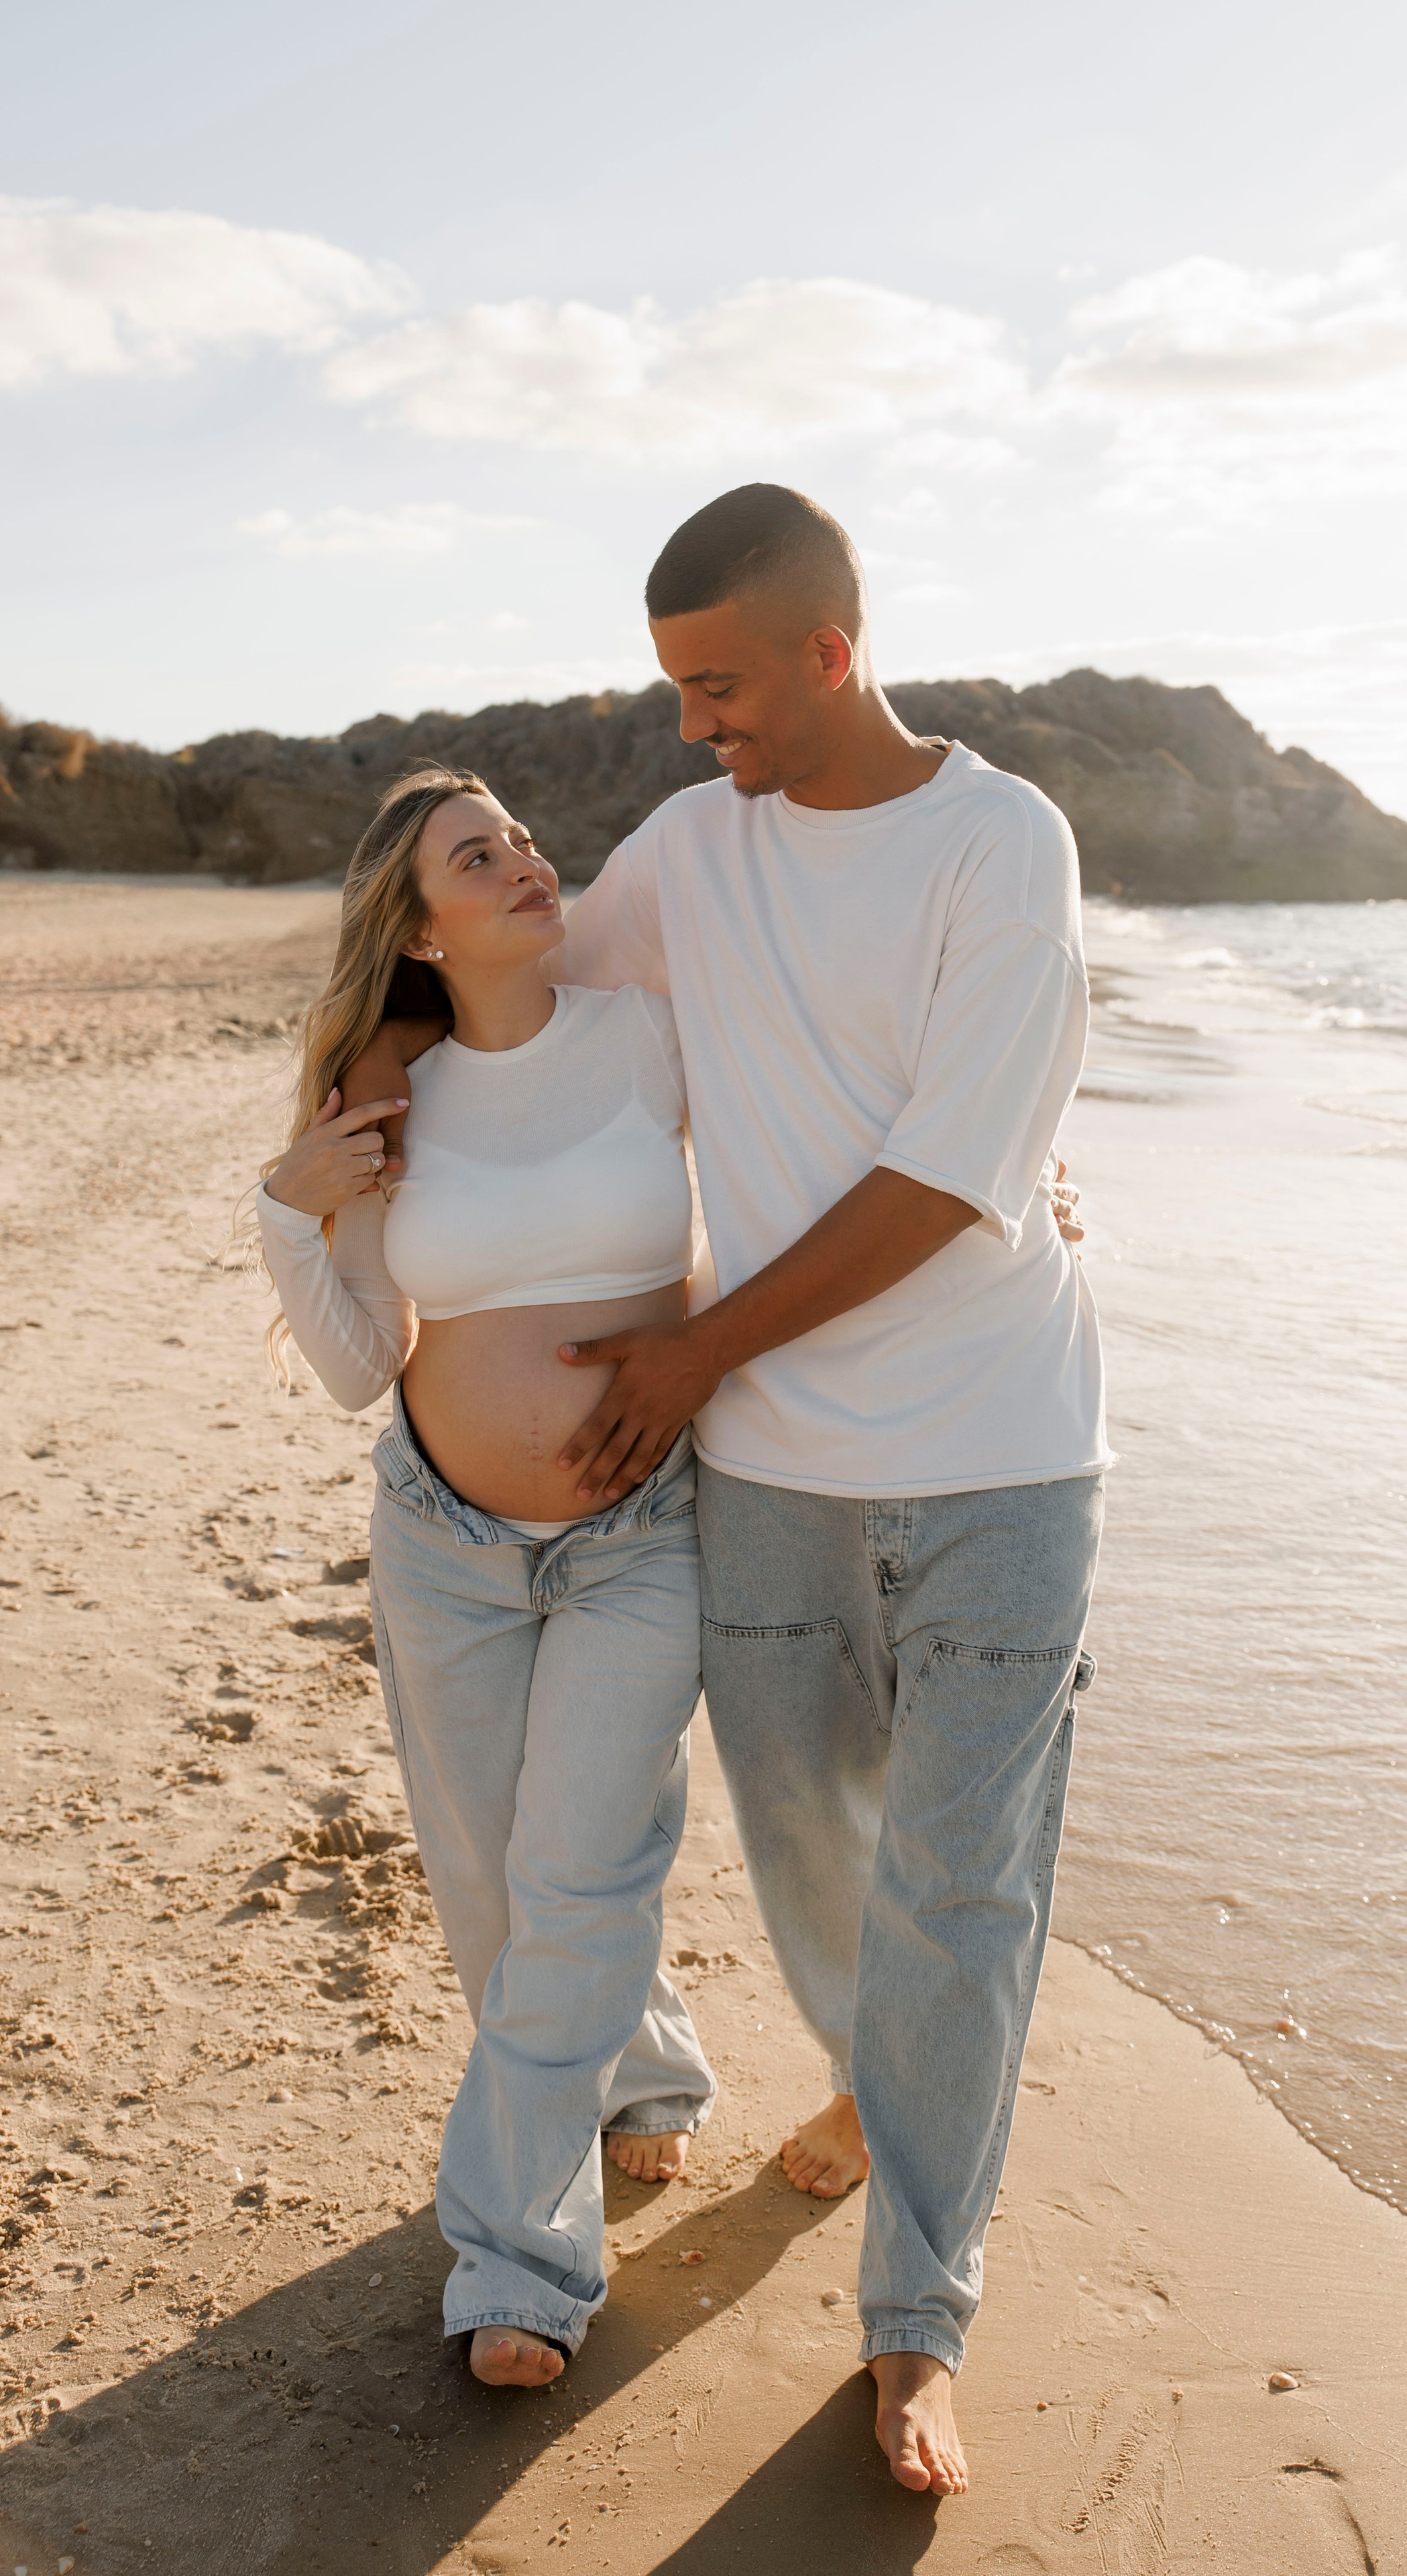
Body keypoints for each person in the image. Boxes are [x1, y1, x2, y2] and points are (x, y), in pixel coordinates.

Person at [353, 484, 1109, 2499]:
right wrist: (349, 1115)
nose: (692, 731)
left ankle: (916, 2320)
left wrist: (695, 1346)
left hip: (1001, 1459)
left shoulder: (998, 840)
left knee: (962, 1885)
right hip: (769, 1484)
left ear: (828, 655)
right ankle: (885, 2080)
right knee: (811, 1872)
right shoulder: (694, 855)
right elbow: (506, 998)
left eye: (718, 689)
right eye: (676, 692)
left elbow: (949, 1177)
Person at [255, 765, 716, 2392]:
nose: (525, 861)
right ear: (423, 928)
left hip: (640, 1536)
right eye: (479, 855)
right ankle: (644, 2063)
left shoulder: (653, 1030)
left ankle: (519, 2255)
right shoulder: (390, 1100)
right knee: (491, 1880)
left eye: (523, 838)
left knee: (579, 1866)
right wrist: (286, 1218)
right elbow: (355, 1362)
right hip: (444, 1544)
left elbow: (806, 1152)